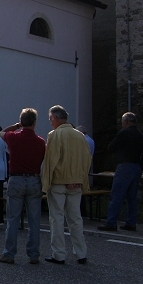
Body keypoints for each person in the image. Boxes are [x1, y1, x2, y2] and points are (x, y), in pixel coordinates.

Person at [0, 108, 46, 264]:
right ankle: (34, 254)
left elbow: (1, 132)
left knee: (13, 219)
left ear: (22, 121)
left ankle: (9, 253)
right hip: (34, 179)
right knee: (34, 220)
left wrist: (16, 125)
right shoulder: (40, 141)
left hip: (16, 179)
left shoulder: (13, 137)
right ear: (35, 123)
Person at [42, 105, 91, 265]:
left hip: (58, 181)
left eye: (50, 119)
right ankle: (81, 253)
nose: (50, 122)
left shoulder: (54, 135)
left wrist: (45, 182)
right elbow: (86, 159)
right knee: (75, 218)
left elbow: (51, 161)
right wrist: (82, 178)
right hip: (76, 181)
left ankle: (59, 254)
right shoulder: (79, 136)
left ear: (55, 118)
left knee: (57, 218)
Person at [97, 112, 143, 232]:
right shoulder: (139, 134)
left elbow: (111, 147)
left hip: (124, 166)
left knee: (116, 195)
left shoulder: (124, 133)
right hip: (136, 166)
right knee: (131, 197)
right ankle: (131, 222)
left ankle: (111, 222)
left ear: (126, 122)